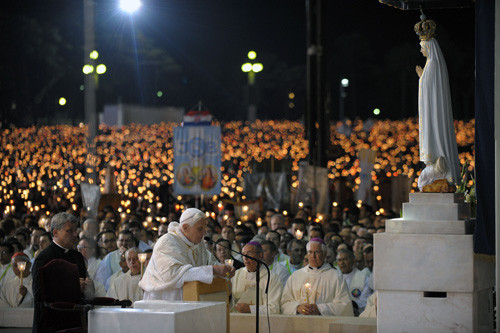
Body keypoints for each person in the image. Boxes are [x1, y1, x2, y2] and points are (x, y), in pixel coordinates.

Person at [139, 208, 235, 300]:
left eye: (204, 228)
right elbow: (174, 275)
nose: (204, 233)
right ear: (185, 227)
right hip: (163, 301)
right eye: (200, 229)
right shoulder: (167, 242)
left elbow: (210, 262)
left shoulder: (198, 243)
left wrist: (223, 269)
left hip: (190, 300)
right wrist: (213, 270)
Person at [414, 16, 460, 190]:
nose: (421, 51)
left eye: (421, 47)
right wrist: (422, 78)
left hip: (433, 114)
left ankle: (439, 167)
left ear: (428, 47)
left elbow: (428, 89)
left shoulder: (432, 65)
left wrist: (421, 79)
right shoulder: (431, 65)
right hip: (433, 111)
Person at [31, 212, 94, 333]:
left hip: (74, 321)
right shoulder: (44, 258)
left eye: (75, 230)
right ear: (55, 232)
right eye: (69, 231)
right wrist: (73, 287)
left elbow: (84, 288)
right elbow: (39, 294)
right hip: (51, 323)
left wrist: (89, 287)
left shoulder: (77, 256)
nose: (75, 235)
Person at [280, 238, 353, 316]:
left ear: (324, 254)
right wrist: (297, 307)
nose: (313, 256)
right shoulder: (296, 276)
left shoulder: (336, 276)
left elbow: (344, 306)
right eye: (310, 252)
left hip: (325, 325)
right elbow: (284, 303)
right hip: (299, 323)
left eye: (317, 252)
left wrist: (320, 309)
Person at [231, 241, 282, 314]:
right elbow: (230, 303)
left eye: (249, 253)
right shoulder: (236, 275)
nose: (245, 258)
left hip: (262, 322)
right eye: (243, 254)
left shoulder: (271, 278)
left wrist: (250, 309)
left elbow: (274, 308)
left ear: (260, 255)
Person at [336, 249, 370, 316]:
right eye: (339, 260)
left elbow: (366, 300)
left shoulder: (363, 278)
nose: (342, 263)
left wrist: (353, 304)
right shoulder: (334, 277)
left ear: (353, 261)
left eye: (345, 259)